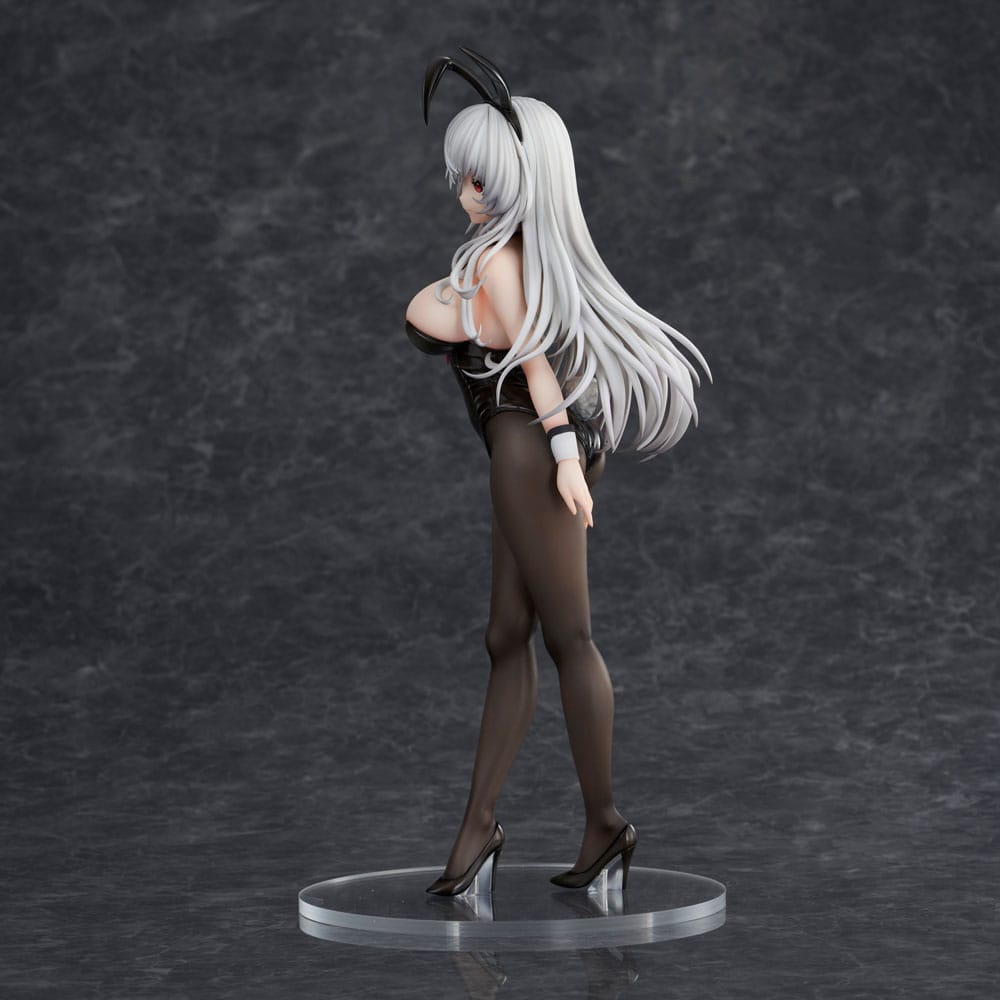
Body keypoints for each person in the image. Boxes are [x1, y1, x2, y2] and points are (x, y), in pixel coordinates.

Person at [405, 49, 711, 897]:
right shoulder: (497, 255)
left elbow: (537, 369)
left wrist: (567, 460)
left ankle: (605, 822)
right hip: (518, 451)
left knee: (568, 637)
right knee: (506, 635)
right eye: (462, 179)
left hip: (531, 451)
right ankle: (479, 830)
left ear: (516, 184)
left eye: (478, 181)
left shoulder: (499, 265)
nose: (463, 194)